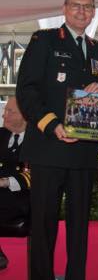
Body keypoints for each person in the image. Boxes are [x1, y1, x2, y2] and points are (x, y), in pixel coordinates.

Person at [16, 0, 98, 280]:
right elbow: (27, 90)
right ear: (65, 8)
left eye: (88, 7)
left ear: (94, 12)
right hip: (48, 146)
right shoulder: (43, 41)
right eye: (76, 5)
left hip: (83, 151)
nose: (82, 11)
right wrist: (52, 124)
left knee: (79, 227)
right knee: (43, 225)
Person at [0, 97, 29, 270]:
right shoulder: (0, 134)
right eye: (5, 111)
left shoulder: (37, 142)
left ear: (25, 116)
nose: (4, 115)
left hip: (21, 200)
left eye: (10, 111)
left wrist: (5, 182)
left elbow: (37, 176)